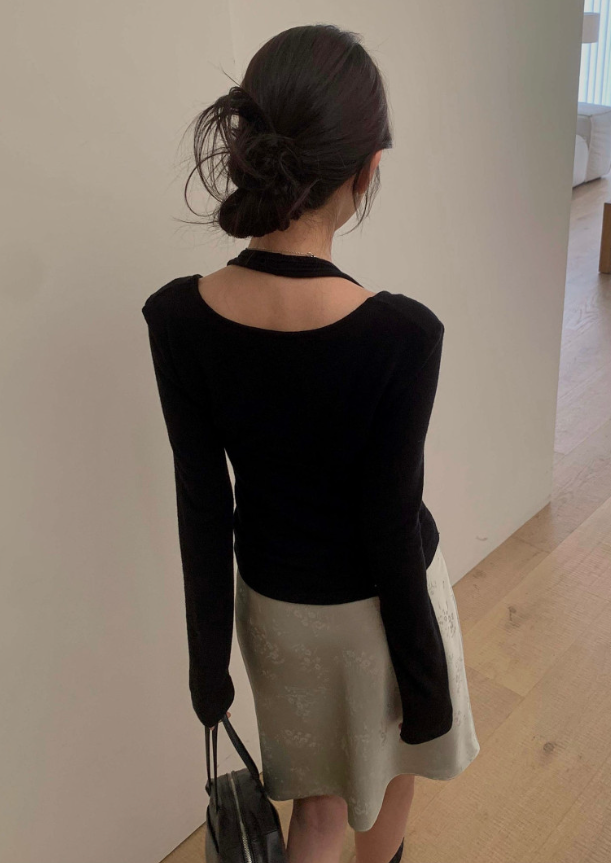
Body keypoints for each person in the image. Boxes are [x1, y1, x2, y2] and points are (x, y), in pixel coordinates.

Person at [141, 23, 480, 863]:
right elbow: (389, 523)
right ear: (366, 171)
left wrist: (208, 668)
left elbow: (201, 507)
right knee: (388, 781)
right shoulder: (401, 335)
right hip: (380, 617)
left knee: (318, 812)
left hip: (275, 612)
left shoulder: (179, 317)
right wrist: (425, 688)